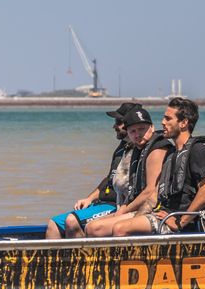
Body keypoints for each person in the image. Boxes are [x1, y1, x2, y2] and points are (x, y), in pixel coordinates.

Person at [90, 97, 205, 235]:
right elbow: (154, 195)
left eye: (168, 119)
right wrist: (135, 217)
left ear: (184, 123)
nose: (163, 122)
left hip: (178, 220)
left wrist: (181, 222)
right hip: (161, 213)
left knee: (120, 229)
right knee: (100, 226)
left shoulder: (198, 151)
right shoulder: (172, 153)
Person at [46, 102, 169, 238]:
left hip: (127, 205)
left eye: (142, 129)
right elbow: (114, 179)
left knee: (81, 223)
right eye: (133, 131)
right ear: (128, 131)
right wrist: (90, 198)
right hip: (122, 204)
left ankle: (93, 258)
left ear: (151, 127)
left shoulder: (155, 148)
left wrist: (121, 211)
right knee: (54, 223)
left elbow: (149, 191)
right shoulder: (130, 148)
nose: (138, 134)